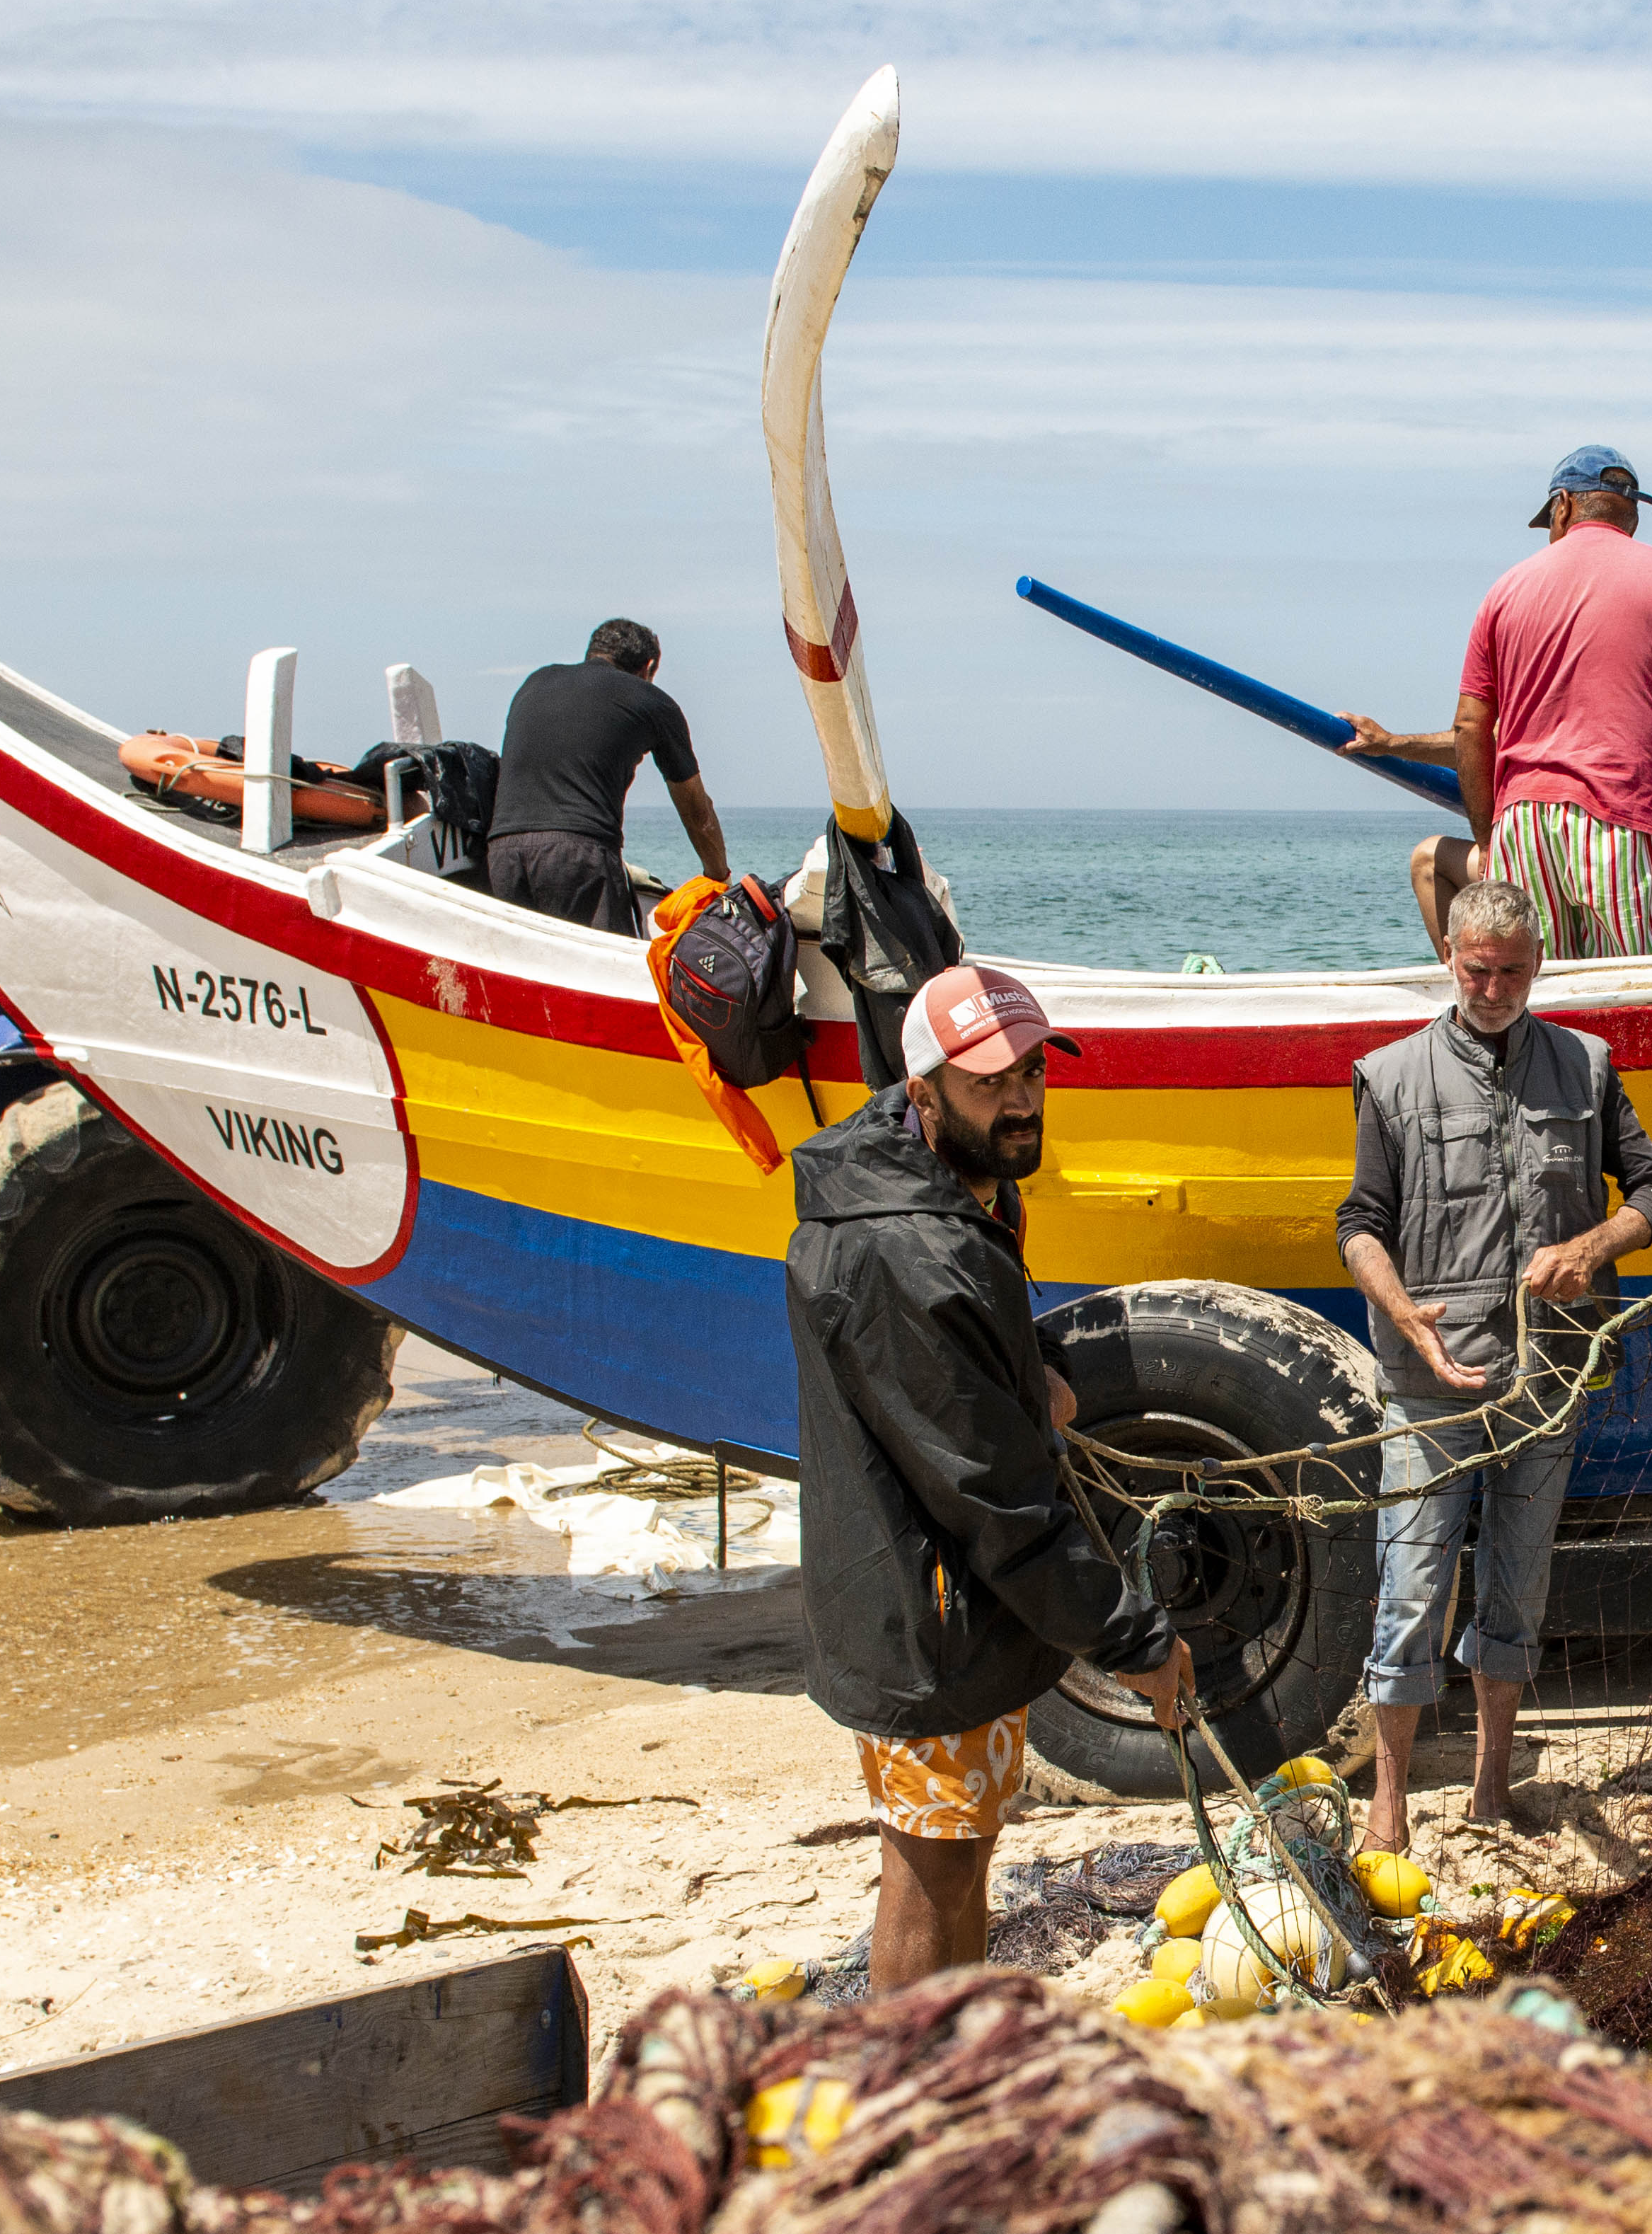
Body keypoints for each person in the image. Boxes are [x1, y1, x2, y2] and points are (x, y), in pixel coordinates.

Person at [786, 960, 1198, 1988]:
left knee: (963, 1848)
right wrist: (1133, 1638)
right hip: (927, 1611)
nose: (1018, 1102)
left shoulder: (956, 1188)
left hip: (958, 1602)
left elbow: (980, 1360)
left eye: (1030, 1074)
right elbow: (992, 1497)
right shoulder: (905, 1254)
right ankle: (912, 2099)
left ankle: (951, 2060)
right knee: (929, 1868)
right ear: (921, 1091)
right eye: (988, 1082)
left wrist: (1043, 1372)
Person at [1335, 878, 1652, 1842]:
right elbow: (1358, 1224)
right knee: (1411, 1588)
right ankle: (1390, 1801)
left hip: (1547, 1380)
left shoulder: (1586, 1066)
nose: (1494, 989)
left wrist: (1592, 1249)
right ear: (1450, 958)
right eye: (1478, 970)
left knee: (1518, 1586)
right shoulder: (1391, 1076)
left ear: (1540, 967)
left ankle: (1493, 1785)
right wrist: (1403, 1313)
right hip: (1428, 1387)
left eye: (1514, 973)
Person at [1344, 447, 1652, 960]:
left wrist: (1490, 840)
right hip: (1627, 824)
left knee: (1538, 991)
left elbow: (1471, 730)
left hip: (1523, 825)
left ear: (1564, 505)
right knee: (1628, 992)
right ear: (1633, 514)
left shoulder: (1505, 590)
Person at [489, 618, 732, 933]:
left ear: (594, 652)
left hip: (503, 852)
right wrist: (720, 878)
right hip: (578, 856)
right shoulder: (652, 701)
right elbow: (697, 812)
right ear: (648, 668)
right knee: (598, 967)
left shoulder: (535, 683)